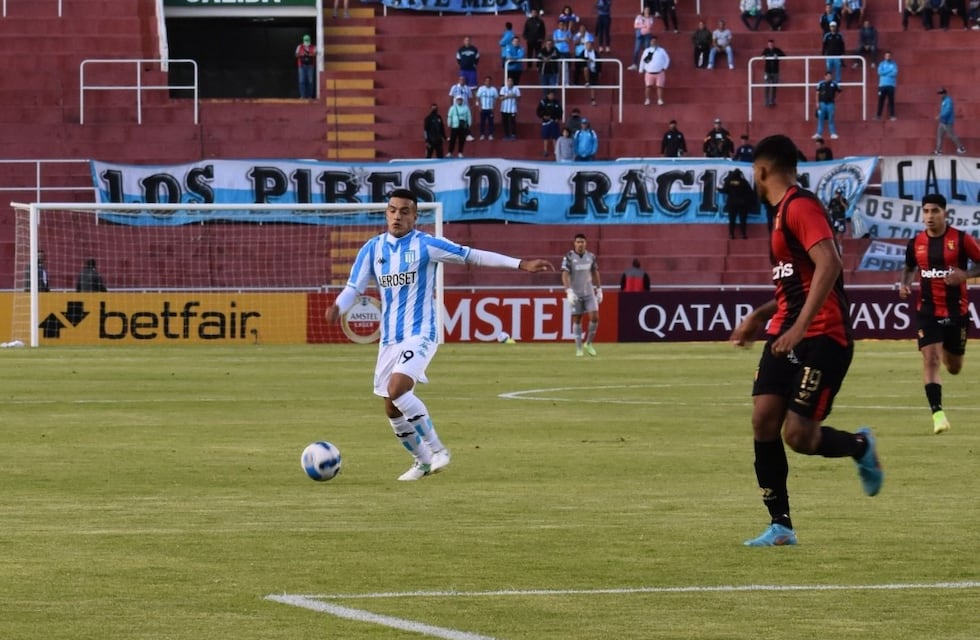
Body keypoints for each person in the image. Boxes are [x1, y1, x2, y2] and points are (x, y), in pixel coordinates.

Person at [325, 189, 553, 481]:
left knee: (398, 389)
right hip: (390, 337)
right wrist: (338, 306)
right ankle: (421, 462)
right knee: (391, 407)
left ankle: (438, 450)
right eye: (393, 210)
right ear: (386, 213)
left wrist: (519, 263)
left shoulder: (427, 245)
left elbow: (472, 256)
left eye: (405, 211)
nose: (397, 216)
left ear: (415, 216)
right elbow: (354, 288)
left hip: (422, 332)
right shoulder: (372, 249)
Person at [730, 133, 883, 547]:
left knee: (798, 436)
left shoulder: (800, 206)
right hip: (785, 332)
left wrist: (799, 328)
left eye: (754, 174)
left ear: (762, 170)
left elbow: (830, 262)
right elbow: (793, 285)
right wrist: (760, 317)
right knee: (763, 419)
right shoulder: (779, 216)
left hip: (821, 335)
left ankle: (860, 445)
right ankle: (781, 525)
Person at [898, 193, 980, 434]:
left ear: (945, 213)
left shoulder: (962, 240)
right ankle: (938, 414)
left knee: (954, 367)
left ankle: (944, 346)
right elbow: (909, 267)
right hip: (927, 310)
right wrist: (904, 284)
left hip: (957, 312)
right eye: (926, 211)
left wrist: (964, 276)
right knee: (930, 359)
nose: (929, 216)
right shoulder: (916, 243)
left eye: (935, 211)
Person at [562, 233, 602, 357]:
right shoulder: (568, 257)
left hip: (589, 292)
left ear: (586, 243)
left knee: (595, 317)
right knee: (577, 320)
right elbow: (564, 274)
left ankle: (588, 343)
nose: (580, 244)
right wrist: (568, 290)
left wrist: (599, 289)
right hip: (576, 293)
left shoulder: (591, 256)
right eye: (578, 242)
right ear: (574, 243)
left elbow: (595, 272)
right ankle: (579, 348)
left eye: (582, 242)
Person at [720, 167, 757, 239]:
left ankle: (731, 234)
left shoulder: (729, 181)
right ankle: (743, 234)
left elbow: (724, 190)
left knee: (732, 220)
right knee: (743, 220)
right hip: (742, 204)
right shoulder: (744, 182)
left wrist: (718, 189)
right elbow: (750, 192)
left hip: (732, 203)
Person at [638, 35, 670, 106]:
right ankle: (647, 99)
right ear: (650, 42)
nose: (654, 42)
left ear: (657, 42)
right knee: (648, 86)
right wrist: (641, 69)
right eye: (652, 41)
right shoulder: (647, 51)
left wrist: (665, 67)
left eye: (655, 41)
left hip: (660, 72)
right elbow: (643, 60)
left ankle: (660, 99)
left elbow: (667, 59)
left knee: (659, 86)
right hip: (649, 72)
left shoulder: (662, 50)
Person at [934, 88, 967, 155]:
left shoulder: (948, 100)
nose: (940, 95)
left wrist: (940, 116)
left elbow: (948, 111)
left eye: (941, 93)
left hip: (947, 122)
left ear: (945, 93)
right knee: (939, 136)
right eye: (939, 94)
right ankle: (938, 150)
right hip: (942, 121)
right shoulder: (944, 100)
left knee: (951, 135)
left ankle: (961, 148)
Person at [813, 71, 841, 140]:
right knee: (820, 119)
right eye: (828, 76)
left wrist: (836, 99)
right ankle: (819, 134)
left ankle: (833, 133)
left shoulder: (834, 84)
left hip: (830, 104)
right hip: (822, 103)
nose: (829, 77)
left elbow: (840, 92)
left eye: (830, 76)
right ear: (825, 76)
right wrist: (817, 103)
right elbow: (817, 93)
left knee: (831, 119)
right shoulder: (820, 83)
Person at [537, 89, 563, 157]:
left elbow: (560, 111)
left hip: (554, 122)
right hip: (546, 122)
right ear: (547, 95)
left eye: (553, 95)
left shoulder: (557, 102)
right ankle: (545, 151)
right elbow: (538, 111)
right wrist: (543, 116)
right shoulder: (543, 102)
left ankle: (556, 152)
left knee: (555, 137)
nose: (552, 96)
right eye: (550, 95)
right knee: (546, 137)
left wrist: (558, 118)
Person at [628, 6, 655, 70]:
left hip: (647, 35)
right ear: (643, 10)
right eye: (646, 10)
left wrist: (645, 20)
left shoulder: (650, 18)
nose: (647, 11)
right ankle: (634, 64)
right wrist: (643, 25)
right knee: (636, 49)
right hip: (639, 35)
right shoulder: (639, 17)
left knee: (647, 49)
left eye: (648, 10)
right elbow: (635, 25)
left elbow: (649, 27)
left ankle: (647, 65)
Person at [761, 39, 785, 107]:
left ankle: (772, 101)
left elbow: (784, 56)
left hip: (775, 71)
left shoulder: (777, 50)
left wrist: (778, 57)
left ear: (773, 44)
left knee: (774, 86)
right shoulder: (766, 50)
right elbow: (762, 55)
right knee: (766, 86)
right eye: (769, 44)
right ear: (767, 45)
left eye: (771, 44)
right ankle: (766, 101)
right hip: (767, 71)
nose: (770, 46)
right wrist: (763, 56)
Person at [874, 50, 897, 120]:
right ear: (884, 56)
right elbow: (879, 73)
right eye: (886, 55)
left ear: (891, 56)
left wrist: (884, 73)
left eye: (889, 56)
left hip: (891, 85)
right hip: (882, 85)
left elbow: (894, 73)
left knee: (891, 101)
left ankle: (892, 116)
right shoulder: (881, 64)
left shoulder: (894, 64)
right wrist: (889, 71)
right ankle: (878, 116)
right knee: (881, 101)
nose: (888, 57)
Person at [475, 76, 499, 140]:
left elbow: (496, 99)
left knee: (491, 122)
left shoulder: (494, 89)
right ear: (484, 82)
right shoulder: (481, 89)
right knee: (482, 122)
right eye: (486, 81)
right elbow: (477, 97)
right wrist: (479, 106)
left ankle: (490, 134)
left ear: (491, 82)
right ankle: (482, 134)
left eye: (489, 81)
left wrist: (494, 107)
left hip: (490, 109)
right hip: (483, 108)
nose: (488, 82)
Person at [294, 34, 316, 99]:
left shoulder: (313, 47)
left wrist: (309, 54)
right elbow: (296, 55)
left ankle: (309, 96)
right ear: (303, 40)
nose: (307, 42)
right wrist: (302, 54)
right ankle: (302, 96)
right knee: (302, 81)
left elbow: (315, 54)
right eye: (306, 40)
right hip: (301, 66)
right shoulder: (299, 47)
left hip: (310, 66)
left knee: (310, 81)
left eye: (308, 40)